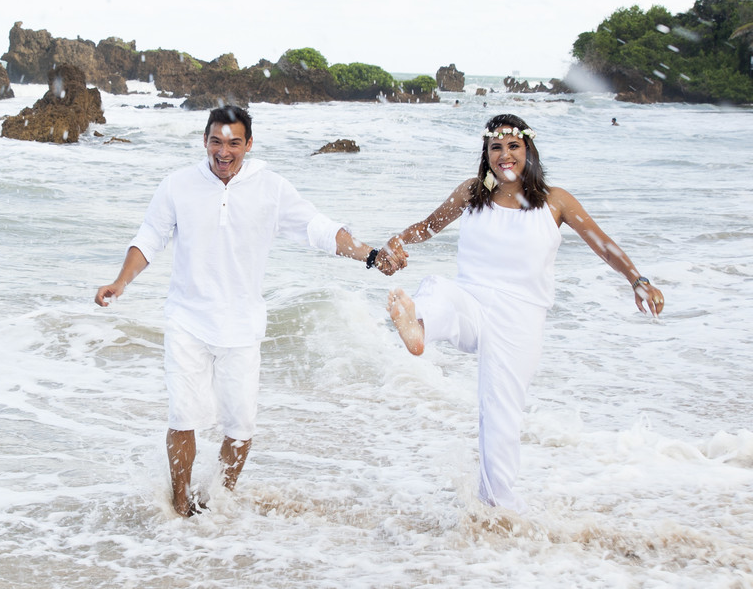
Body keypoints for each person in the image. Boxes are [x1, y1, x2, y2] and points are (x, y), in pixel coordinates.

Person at [96, 105, 406, 517]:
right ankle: (181, 506)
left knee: (240, 428)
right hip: (187, 319)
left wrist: (370, 256)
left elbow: (319, 229)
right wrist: (121, 282)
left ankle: (218, 499)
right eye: (216, 141)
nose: (224, 152)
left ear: (249, 144)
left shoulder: (271, 188)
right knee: (183, 416)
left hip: (242, 326)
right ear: (204, 140)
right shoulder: (178, 185)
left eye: (233, 143)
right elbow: (150, 238)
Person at [384, 113, 663, 513]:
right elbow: (429, 226)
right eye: (496, 148)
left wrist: (638, 279)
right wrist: (398, 241)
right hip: (473, 301)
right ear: (486, 154)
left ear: (528, 151)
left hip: (520, 319)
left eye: (513, 146)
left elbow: (602, 244)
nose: (505, 155)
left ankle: (500, 509)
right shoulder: (472, 193)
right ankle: (419, 325)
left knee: (498, 415)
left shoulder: (555, 201)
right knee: (437, 289)